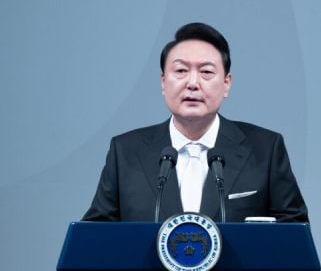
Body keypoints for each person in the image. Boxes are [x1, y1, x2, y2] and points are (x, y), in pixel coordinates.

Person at [82, 22, 309, 222]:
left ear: (226, 83)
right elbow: (95, 236)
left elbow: (295, 230)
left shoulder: (265, 149)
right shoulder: (125, 151)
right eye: (180, 70)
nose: (192, 83)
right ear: (163, 82)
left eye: (206, 72)